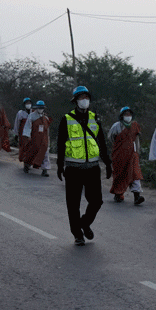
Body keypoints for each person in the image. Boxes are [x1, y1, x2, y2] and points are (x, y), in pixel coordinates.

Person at [56, 86, 112, 245]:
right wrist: (60, 165)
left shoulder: (95, 118)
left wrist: (107, 163)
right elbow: (60, 143)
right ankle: (77, 234)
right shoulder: (66, 119)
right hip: (73, 168)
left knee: (97, 201)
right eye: (81, 98)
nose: (84, 100)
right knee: (73, 204)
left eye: (86, 97)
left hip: (92, 168)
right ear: (75, 101)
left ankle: (84, 223)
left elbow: (101, 142)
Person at [107, 106, 144, 205]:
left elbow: (136, 140)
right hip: (120, 155)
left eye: (129, 114)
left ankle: (137, 196)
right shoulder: (116, 126)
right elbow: (111, 138)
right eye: (126, 114)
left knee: (135, 174)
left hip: (132, 154)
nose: (128, 116)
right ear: (121, 116)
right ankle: (118, 194)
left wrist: (137, 152)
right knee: (120, 174)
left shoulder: (135, 126)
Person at [23, 100, 51, 176]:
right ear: (36, 108)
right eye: (39, 108)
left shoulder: (46, 118)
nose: (40, 109)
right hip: (34, 139)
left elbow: (47, 130)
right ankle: (27, 165)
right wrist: (27, 136)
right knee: (31, 153)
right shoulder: (31, 116)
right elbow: (28, 127)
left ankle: (45, 170)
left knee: (45, 154)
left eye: (42, 108)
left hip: (44, 139)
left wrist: (48, 141)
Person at [16, 97, 33, 161]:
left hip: (32, 133)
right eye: (27, 103)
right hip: (23, 134)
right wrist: (16, 133)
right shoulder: (20, 113)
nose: (28, 104)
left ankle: (29, 160)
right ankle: (24, 160)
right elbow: (17, 124)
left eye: (29, 103)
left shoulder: (33, 113)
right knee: (23, 146)